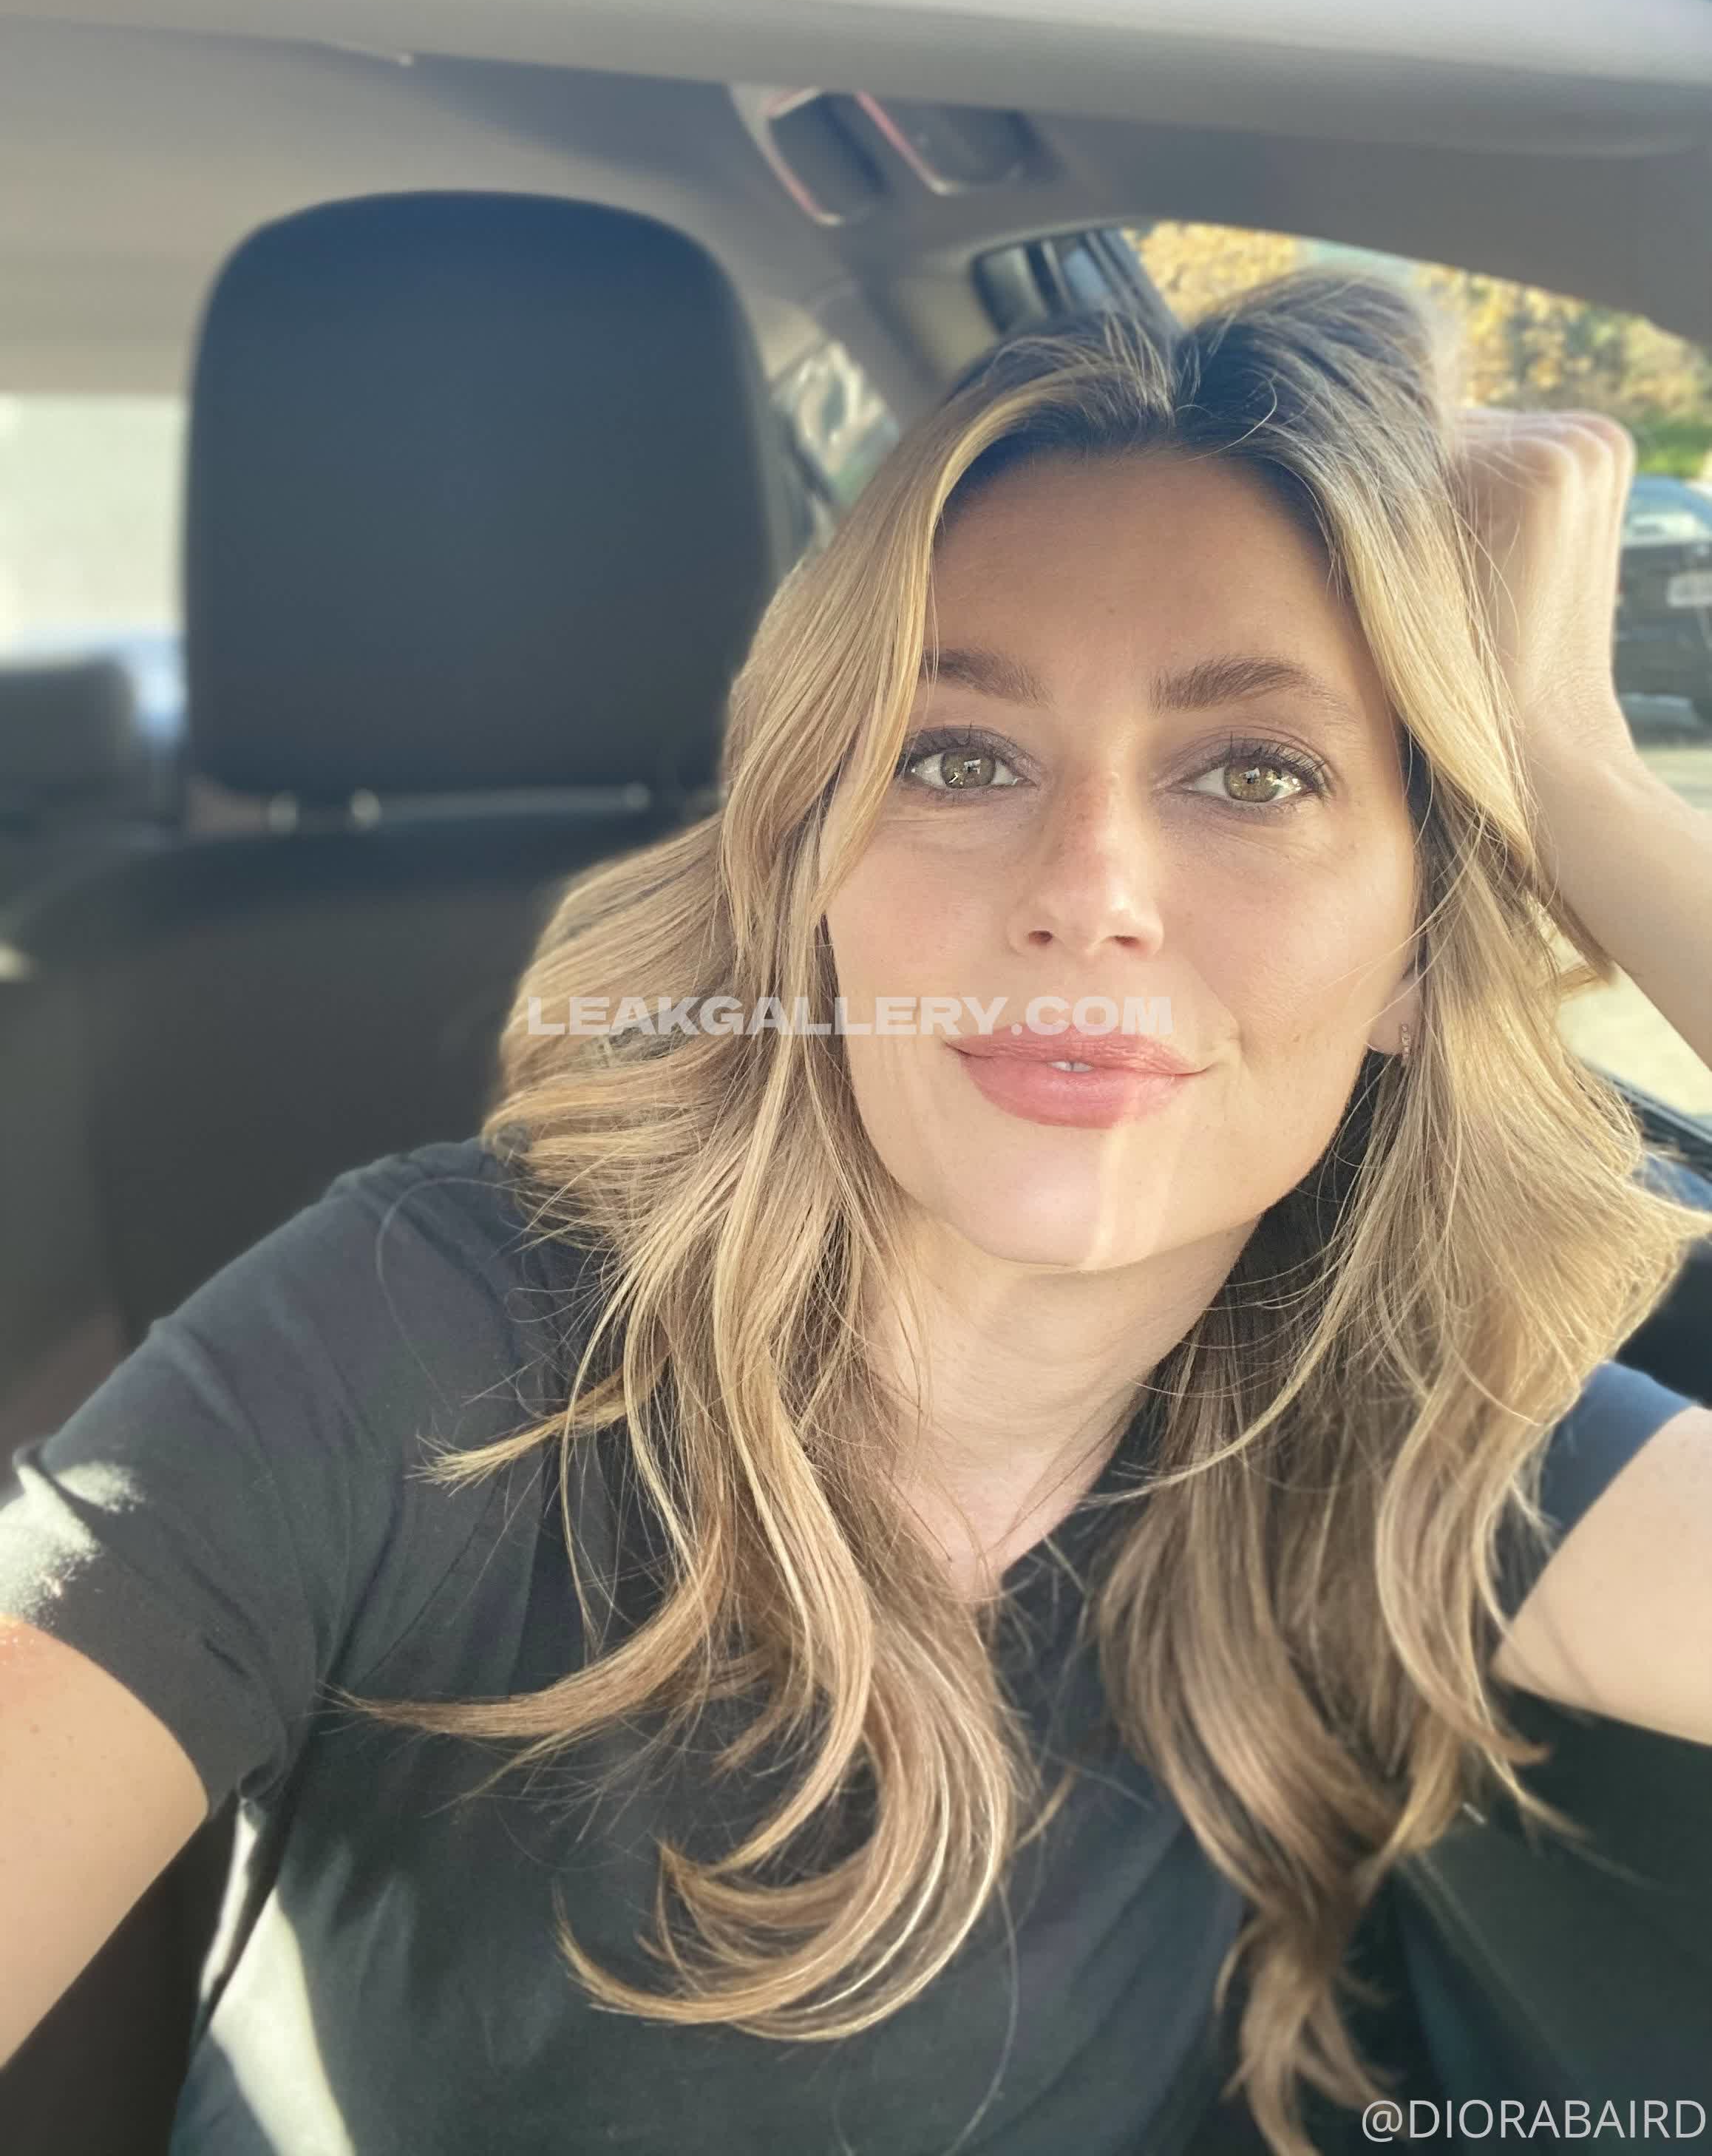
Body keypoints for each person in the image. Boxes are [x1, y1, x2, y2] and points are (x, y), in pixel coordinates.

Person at [2, 273, 1710, 2156]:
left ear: (1415, 956)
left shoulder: (1386, 1434)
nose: (1091, 887)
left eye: (1256, 772)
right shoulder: (411, 1340)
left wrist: (1582, 783)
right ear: (809, 871)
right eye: (957, 757)